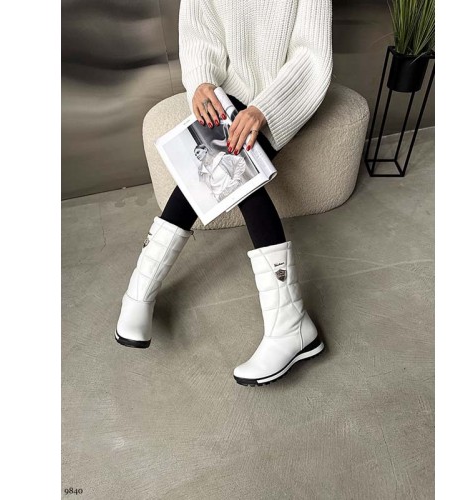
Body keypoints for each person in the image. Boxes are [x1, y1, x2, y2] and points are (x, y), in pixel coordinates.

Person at [115, 0, 333, 386]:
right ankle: (290, 322)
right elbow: (200, 33)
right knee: (228, 156)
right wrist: (201, 81)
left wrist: (265, 108)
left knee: (231, 160)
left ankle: (139, 289)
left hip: (285, 95)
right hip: (229, 96)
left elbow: (312, 54)